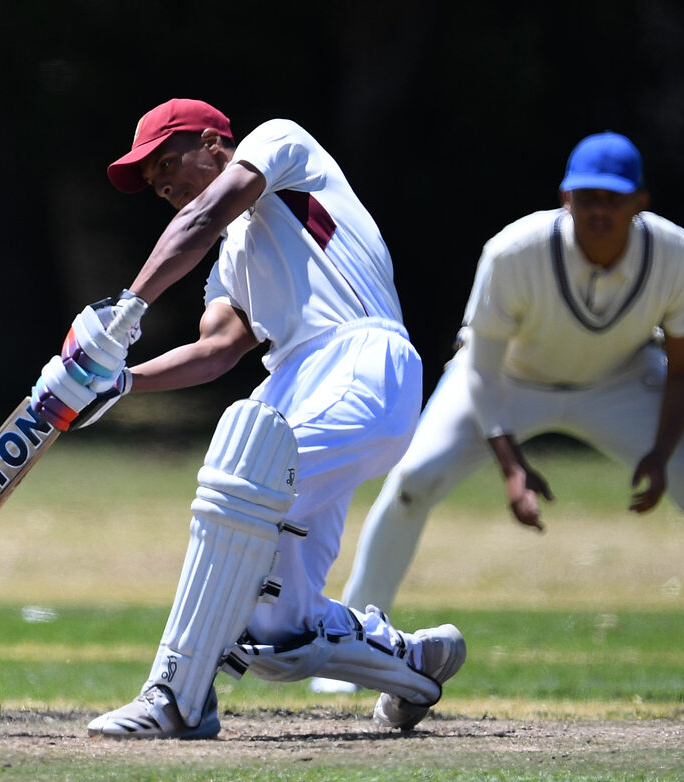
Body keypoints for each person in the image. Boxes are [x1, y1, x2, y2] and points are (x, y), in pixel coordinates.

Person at [310, 131, 684, 702]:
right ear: (565, 198)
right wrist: (511, 467)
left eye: (613, 198)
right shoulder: (514, 251)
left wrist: (659, 454)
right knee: (411, 482)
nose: (599, 211)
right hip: (508, 377)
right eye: (587, 198)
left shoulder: (677, 254)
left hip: (623, 379)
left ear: (640, 202)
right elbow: (477, 369)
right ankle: (350, 655)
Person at [29, 98, 465, 739]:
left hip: (361, 359)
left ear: (213, 142)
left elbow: (204, 216)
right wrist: (119, 381)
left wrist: (123, 312)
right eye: (155, 183)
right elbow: (217, 351)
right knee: (277, 631)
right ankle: (414, 662)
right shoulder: (231, 260)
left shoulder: (281, 143)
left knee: (237, 485)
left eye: (169, 163)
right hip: (294, 384)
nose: (166, 185)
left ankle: (176, 698)